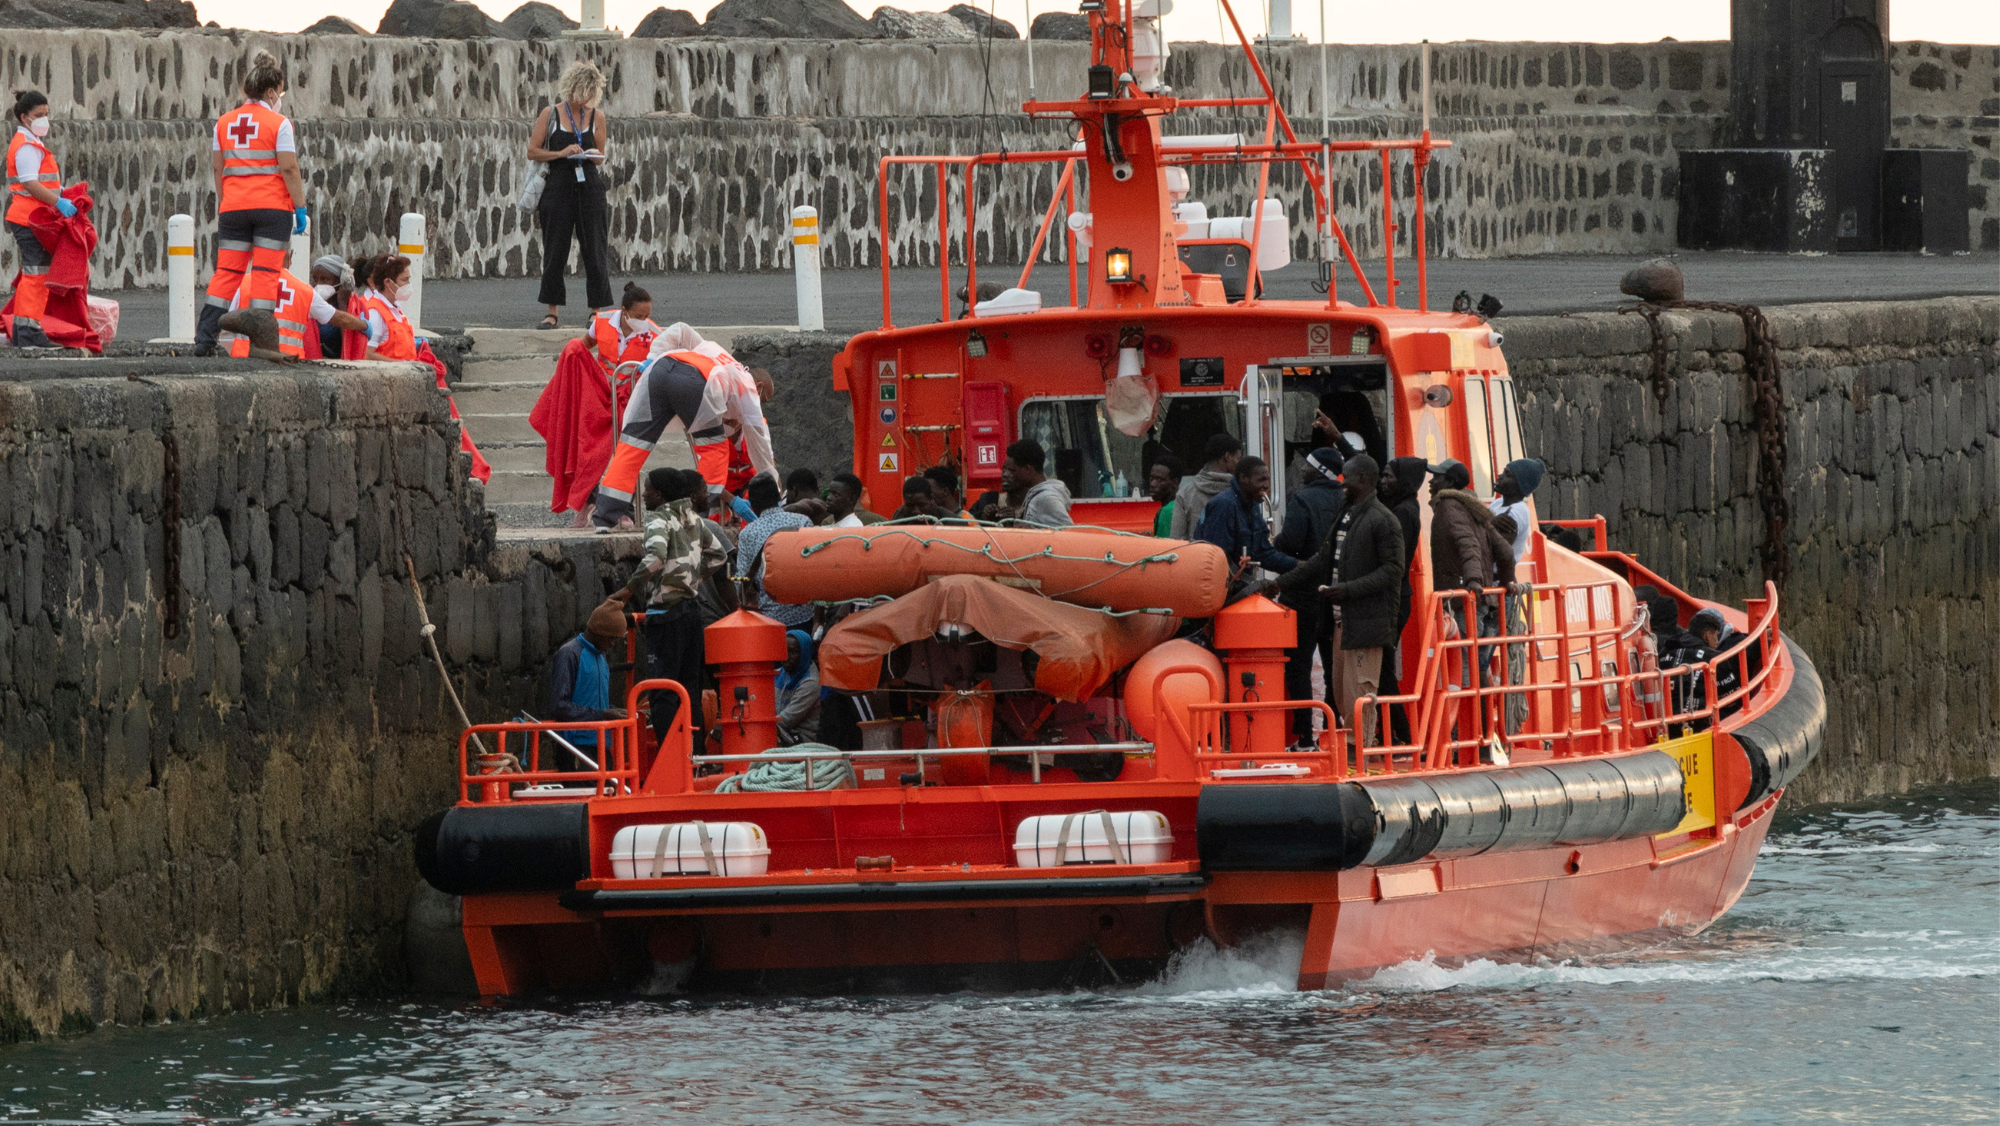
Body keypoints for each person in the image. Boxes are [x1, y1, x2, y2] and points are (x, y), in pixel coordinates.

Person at [591, 324, 775, 530]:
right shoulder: (748, 387)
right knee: (714, 450)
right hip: (694, 382)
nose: (761, 404)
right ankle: (697, 517)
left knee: (633, 446)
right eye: (764, 400)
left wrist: (653, 356)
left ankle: (604, 518)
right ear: (759, 387)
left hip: (660, 370)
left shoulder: (718, 354)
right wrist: (775, 495)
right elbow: (761, 449)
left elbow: (680, 329)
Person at [1274, 455, 1404, 747]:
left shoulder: (1383, 520)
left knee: (1360, 691)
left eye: (1347, 477)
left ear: (1362, 480)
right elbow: (1322, 559)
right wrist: (1280, 583)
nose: (1341, 483)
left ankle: (1361, 750)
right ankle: (1353, 748)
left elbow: (1393, 570)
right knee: (1343, 692)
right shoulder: (1346, 514)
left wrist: (1348, 590)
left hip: (1365, 623)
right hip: (1340, 622)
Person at [196, 51, 306, 357]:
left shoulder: (223, 123)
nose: (280, 98)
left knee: (226, 273)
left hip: (233, 209)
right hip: (272, 210)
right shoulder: (279, 123)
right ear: (271, 92)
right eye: (280, 93)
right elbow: (289, 168)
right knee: (265, 274)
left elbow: (218, 168)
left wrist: (225, 203)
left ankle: (205, 339)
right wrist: (300, 207)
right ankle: (261, 344)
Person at [617, 466, 728, 739]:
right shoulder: (695, 519)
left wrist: (629, 589)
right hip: (692, 614)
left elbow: (655, 558)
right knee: (690, 689)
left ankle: (669, 755)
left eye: (648, 490)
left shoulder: (659, 519)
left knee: (662, 689)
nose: (644, 495)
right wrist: (692, 578)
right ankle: (695, 752)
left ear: (660, 494)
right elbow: (719, 555)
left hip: (665, 613)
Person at [359, 256, 492, 482]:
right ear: (388, 282)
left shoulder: (395, 309)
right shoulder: (375, 312)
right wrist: (403, 366)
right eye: (404, 280)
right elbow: (366, 354)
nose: (408, 284)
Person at [1272, 447, 1347, 747]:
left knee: (1298, 667)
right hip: (1335, 595)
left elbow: (1290, 541)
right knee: (1333, 667)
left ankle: (1305, 736)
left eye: (1308, 466)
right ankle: (1333, 733)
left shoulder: (1302, 499)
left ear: (1320, 471)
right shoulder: (1346, 499)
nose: (1303, 469)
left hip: (1301, 595)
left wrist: (1275, 543)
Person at [529, 61, 611, 329]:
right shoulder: (550, 114)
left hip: (589, 186)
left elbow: (600, 156)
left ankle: (596, 312)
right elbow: (532, 151)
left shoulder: (597, 117)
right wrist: (561, 153)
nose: (584, 99)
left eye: (590, 93)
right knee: (555, 250)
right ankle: (551, 311)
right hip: (558, 185)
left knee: (595, 250)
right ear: (572, 87)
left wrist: (591, 154)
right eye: (582, 92)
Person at [6, 90, 71, 350]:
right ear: (24, 117)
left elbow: (40, 182)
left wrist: (61, 192)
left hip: (32, 217)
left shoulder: (30, 142)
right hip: (30, 218)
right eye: (39, 115)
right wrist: (59, 201)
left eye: (46, 114)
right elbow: (30, 183)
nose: (45, 119)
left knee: (34, 273)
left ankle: (25, 329)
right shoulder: (26, 146)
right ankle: (28, 331)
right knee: (36, 274)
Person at [1378, 456, 1428, 744]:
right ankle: (1393, 733)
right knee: (1382, 668)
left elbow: (1392, 561)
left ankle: (1403, 733)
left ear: (1404, 481)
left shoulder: (1403, 513)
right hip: (1397, 596)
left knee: (1383, 669)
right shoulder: (1403, 506)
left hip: (1393, 599)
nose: (1383, 482)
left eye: (1389, 477)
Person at [221, 263, 366, 360]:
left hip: (245, 359)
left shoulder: (244, 283)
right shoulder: (303, 290)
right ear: (290, 256)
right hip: (288, 363)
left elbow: (227, 323)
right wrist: (363, 325)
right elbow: (337, 318)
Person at [546, 599, 629, 766]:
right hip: (575, 745)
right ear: (599, 632)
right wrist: (602, 714)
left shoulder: (601, 657)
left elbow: (593, 701)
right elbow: (559, 706)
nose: (613, 644)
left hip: (600, 743)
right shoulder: (569, 654)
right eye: (611, 638)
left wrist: (612, 711)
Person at [1197, 456, 1296, 589]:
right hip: (1220, 589)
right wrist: (1253, 587)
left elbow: (1264, 553)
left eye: (1268, 480)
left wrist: (1301, 566)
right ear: (1244, 478)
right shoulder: (1225, 505)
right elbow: (1217, 559)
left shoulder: (1252, 505)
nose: (1267, 485)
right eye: (1261, 480)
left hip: (1240, 586)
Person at [732, 474, 816, 628]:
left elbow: (741, 581)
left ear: (752, 503)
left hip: (770, 618)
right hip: (804, 615)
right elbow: (815, 570)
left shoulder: (747, 533)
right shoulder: (803, 522)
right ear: (778, 496)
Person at [1170, 433, 1241, 540]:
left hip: (1196, 550)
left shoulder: (1185, 494)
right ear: (1227, 457)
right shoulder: (1241, 492)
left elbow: (1176, 539)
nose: (1239, 464)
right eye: (1238, 458)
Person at [1000, 439, 1073, 527]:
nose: (1005, 475)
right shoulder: (1035, 495)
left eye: (1012, 471)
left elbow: (1067, 531)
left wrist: (1031, 529)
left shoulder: (1047, 498)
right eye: (1004, 470)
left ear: (1028, 469)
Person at [590, 282, 658, 373]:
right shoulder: (602, 322)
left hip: (634, 382)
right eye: (638, 316)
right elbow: (583, 345)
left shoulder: (656, 335)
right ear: (624, 310)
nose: (642, 320)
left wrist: (655, 362)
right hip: (602, 380)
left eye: (646, 316)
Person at [1490, 458, 1544, 562]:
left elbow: (1498, 550)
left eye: (1507, 474)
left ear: (1520, 485)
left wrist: (1487, 524)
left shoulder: (1518, 511)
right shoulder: (1497, 503)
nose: (1500, 476)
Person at [774, 630, 822, 747]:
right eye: (784, 650)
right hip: (778, 729)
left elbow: (786, 720)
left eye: (793, 652)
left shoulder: (811, 682)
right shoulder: (777, 674)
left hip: (801, 739)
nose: (787, 657)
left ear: (804, 653)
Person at [309, 256, 355, 358]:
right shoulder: (310, 304)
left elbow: (349, 343)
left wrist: (342, 303)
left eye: (324, 279)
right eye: (315, 279)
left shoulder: (353, 307)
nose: (318, 284)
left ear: (340, 281)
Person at [1147, 454, 1185, 538]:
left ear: (1175, 482)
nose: (1152, 484)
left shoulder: (1167, 511)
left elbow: (1163, 545)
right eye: (1151, 478)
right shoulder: (1182, 504)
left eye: (1159, 480)